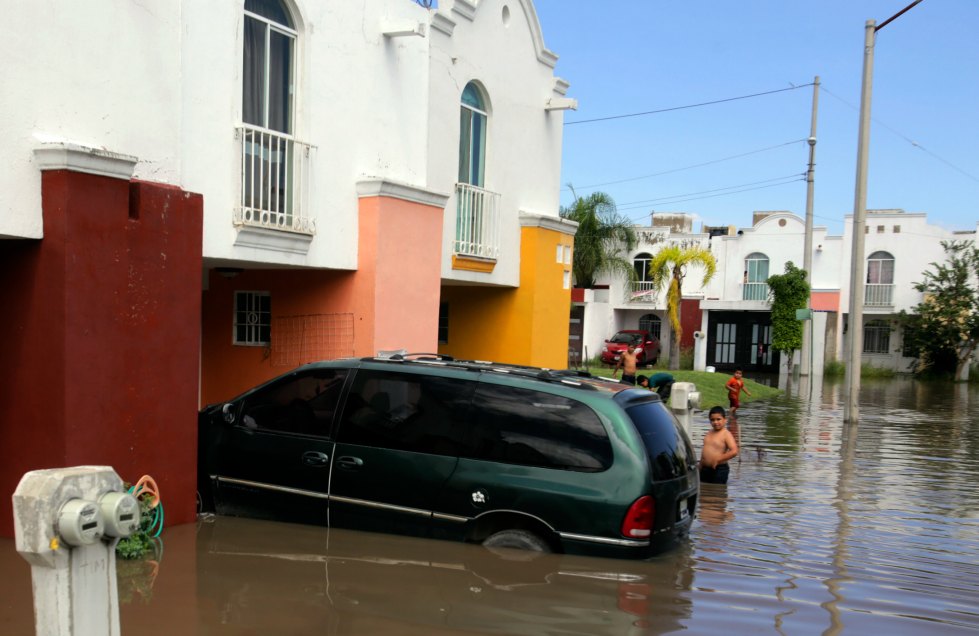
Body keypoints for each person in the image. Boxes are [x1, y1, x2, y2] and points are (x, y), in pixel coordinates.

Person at [700, 406, 738, 485]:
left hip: (719, 469)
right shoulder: (709, 433)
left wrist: (718, 459)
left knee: (717, 490)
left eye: (718, 419)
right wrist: (700, 465)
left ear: (725, 420)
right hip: (705, 469)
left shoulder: (726, 434)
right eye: (712, 420)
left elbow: (734, 451)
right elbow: (705, 450)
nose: (715, 422)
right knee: (703, 490)